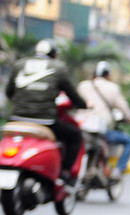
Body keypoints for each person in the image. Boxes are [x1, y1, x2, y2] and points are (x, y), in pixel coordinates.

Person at [4, 39, 88, 185]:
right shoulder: (58, 67)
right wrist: (82, 104)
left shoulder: (19, 65)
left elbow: (9, 92)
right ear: (54, 55)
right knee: (75, 136)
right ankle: (65, 172)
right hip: (45, 121)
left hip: (17, 119)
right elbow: (72, 94)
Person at [76, 60, 130, 176]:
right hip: (101, 130)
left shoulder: (83, 85)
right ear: (108, 75)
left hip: (81, 126)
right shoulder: (112, 87)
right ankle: (119, 168)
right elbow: (123, 106)